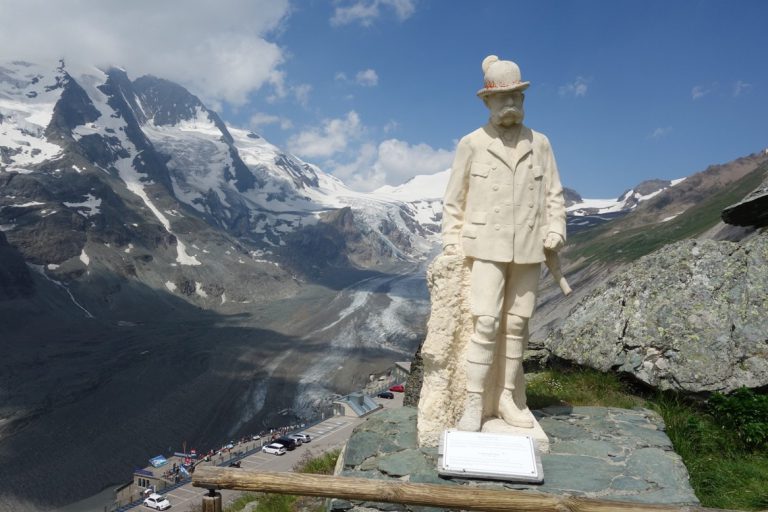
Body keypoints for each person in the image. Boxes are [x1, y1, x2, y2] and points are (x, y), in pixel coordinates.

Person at [442, 55, 566, 432]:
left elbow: (554, 196)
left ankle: (508, 397)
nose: (511, 105)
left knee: (517, 326)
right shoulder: (472, 144)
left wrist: (556, 229)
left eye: (517, 97)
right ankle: (474, 401)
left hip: (528, 247)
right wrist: (451, 243)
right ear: (487, 101)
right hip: (485, 247)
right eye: (503, 98)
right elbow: (454, 200)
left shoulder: (540, 143)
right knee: (485, 323)